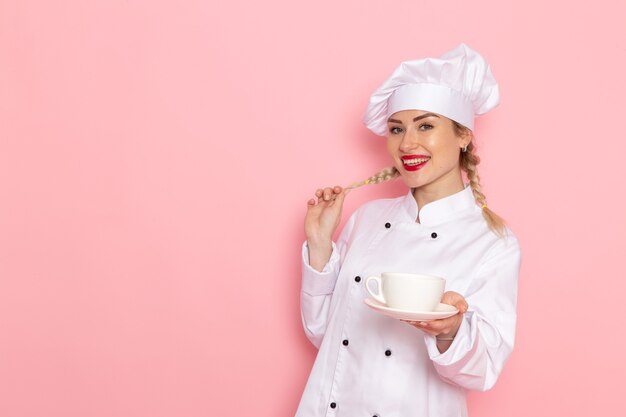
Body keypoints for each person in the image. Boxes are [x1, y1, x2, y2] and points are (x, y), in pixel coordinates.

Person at [295, 43, 522, 417]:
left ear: (464, 135)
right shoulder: (366, 219)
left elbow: (482, 371)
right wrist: (319, 246)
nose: (407, 143)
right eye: (397, 129)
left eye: (426, 126)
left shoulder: (492, 242)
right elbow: (324, 334)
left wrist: (450, 330)